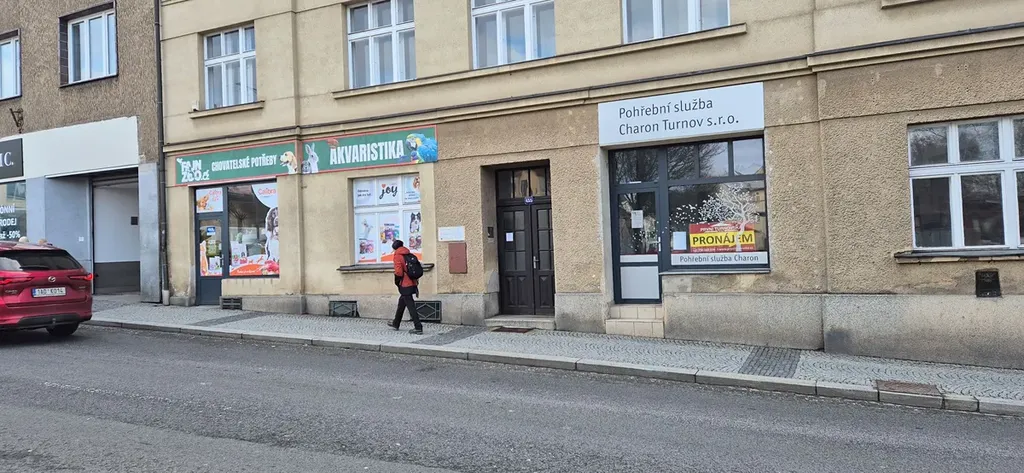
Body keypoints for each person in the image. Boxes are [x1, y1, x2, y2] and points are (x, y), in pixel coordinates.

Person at [387, 239, 423, 335]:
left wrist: (397, 281)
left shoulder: (397, 256)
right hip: (412, 282)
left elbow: (398, 272)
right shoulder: (408, 254)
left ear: (395, 248)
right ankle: (396, 323)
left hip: (405, 284)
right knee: (402, 302)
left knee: (411, 306)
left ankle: (418, 327)